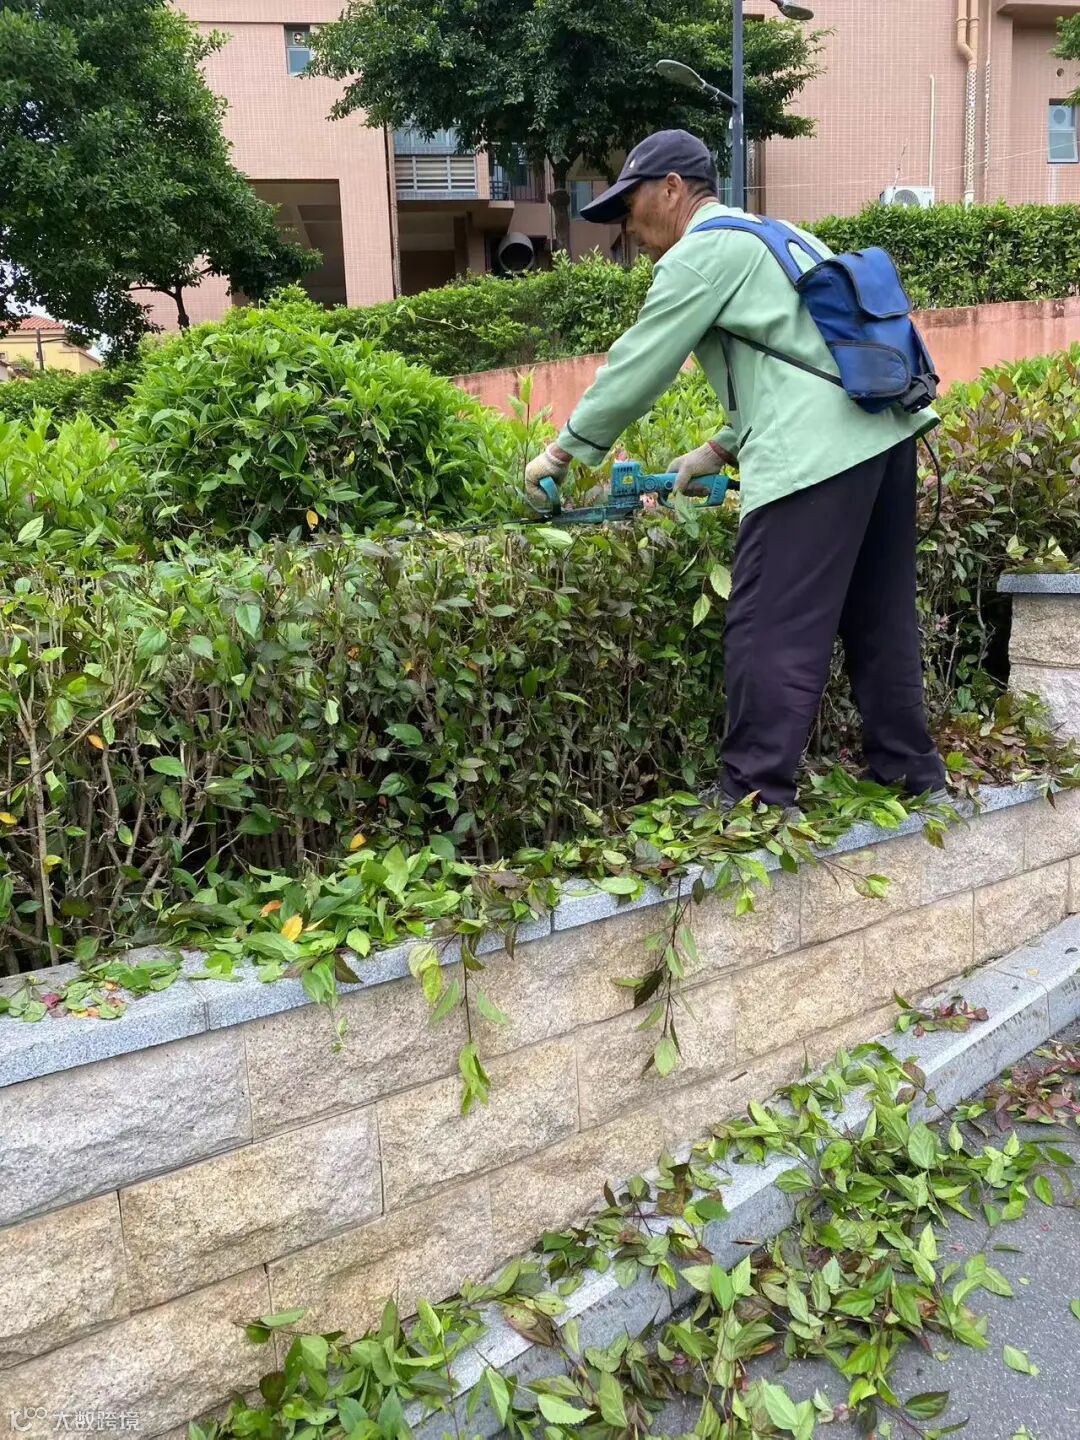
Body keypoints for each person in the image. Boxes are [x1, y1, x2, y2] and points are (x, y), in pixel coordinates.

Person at [523, 128, 947, 813]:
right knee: (880, 615)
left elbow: (639, 366)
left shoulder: (701, 253)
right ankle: (910, 774)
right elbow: (802, 359)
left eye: (630, 203)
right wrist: (719, 449)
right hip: (885, 437)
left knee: (768, 623)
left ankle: (753, 794)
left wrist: (563, 451)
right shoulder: (776, 235)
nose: (627, 225)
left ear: (672, 189)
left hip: (816, 457)